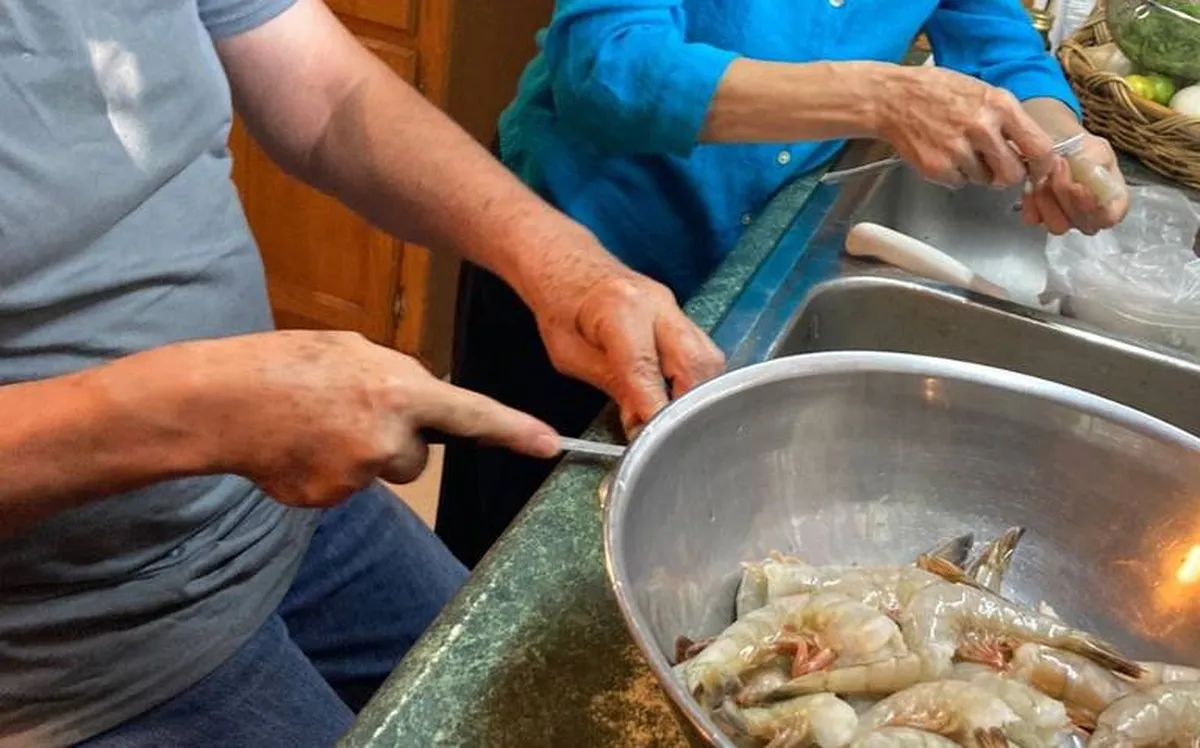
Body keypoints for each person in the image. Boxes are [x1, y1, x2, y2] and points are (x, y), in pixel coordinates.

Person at [0, 1, 724, 746]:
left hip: (291, 513)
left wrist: (566, 267)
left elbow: (325, 91)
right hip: (75, 649)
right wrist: (203, 412)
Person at [435, 0, 1134, 567]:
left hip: (739, 252)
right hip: (577, 253)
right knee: (499, 550)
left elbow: (997, 44)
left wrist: (1063, 146)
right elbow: (607, 63)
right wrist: (877, 98)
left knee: (650, 541)